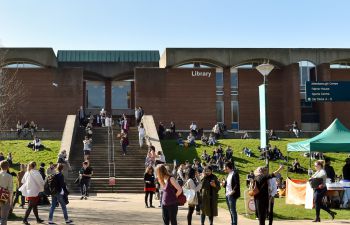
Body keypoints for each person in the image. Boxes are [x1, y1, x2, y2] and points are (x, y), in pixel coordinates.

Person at [0, 160, 13, 225]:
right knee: (4, 218)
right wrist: (11, 201)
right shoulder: (9, 176)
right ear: (8, 167)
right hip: (4, 196)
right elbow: (10, 189)